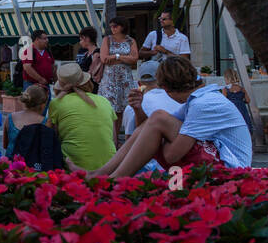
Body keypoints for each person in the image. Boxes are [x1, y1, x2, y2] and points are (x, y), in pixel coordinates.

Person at [90, 55, 253, 176]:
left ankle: (114, 179)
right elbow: (148, 127)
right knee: (157, 118)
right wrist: (138, 109)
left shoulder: (203, 104)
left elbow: (171, 155)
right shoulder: (201, 97)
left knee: (159, 117)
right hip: (221, 159)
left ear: (167, 89)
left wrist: (156, 142)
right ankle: (101, 174)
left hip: (231, 170)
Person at [46, 63, 117, 171]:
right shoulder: (104, 101)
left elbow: (52, 138)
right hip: (109, 166)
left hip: (74, 168)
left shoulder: (56, 104)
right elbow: (113, 139)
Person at [4, 84, 64, 170]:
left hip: (11, 164)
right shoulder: (46, 122)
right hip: (35, 167)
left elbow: (6, 145)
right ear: (43, 105)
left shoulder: (10, 118)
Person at [98, 18, 138, 142]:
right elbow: (104, 58)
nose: (113, 28)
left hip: (124, 79)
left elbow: (135, 58)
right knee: (110, 108)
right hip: (110, 79)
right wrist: (124, 57)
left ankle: (117, 140)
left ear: (122, 26)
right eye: (111, 26)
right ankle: (111, 138)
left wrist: (116, 57)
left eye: (115, 26)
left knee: (122, 108)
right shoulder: (107, 40)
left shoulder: (131, 40)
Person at [220, 68, 256, 143]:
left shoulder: (225, 89)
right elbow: (248, 100)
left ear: (226, 78)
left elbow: (224, 101)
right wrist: (241, 100)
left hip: (232, 109)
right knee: (244, 124)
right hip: (242, 109)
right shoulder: (241, 88)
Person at [75, 27, 104, 91]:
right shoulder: (86, 53)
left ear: (86, 38)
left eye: (81, 39)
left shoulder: (97, 53)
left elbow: (94, 73)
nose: (80, 42)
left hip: (91, 87)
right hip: (84, 85)